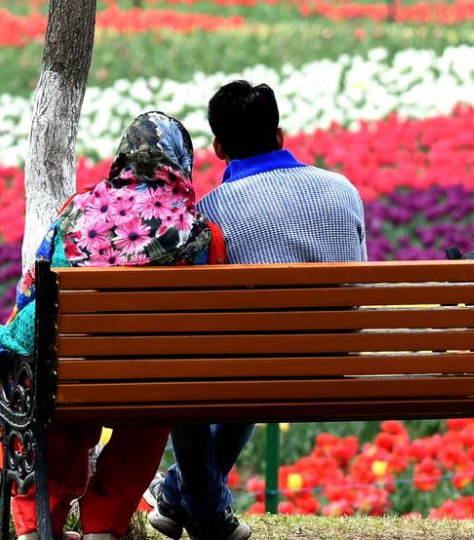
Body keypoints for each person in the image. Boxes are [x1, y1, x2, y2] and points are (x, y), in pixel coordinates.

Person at [0, 112, 226, 540]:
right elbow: (209, 320)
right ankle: (104, 525)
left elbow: (29, 295)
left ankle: (37, 522)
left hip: (68, 374)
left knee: (53, 396)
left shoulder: (76, 211)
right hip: (148, 384)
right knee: (153, 411)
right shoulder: (198, 231)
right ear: (181, 162)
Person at [147, 81, 367, 540]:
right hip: (337, 361)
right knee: (256, 347)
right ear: (281, 135)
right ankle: (175, 498)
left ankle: (199, 510)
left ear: (219, 147)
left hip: (254, 364)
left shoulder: (210, 212)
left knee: (198, 371)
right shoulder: (341, 189)